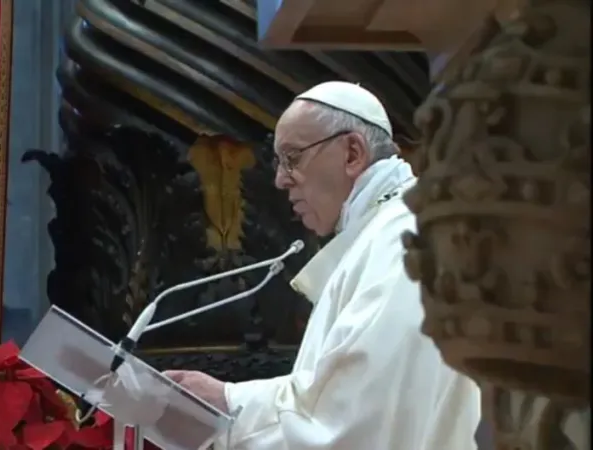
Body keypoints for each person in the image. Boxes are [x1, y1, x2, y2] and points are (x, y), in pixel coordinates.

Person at [164, 81, 481, 449]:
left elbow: (357, 412)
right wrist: (229, 399)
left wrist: (232, 408)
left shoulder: (403, 237)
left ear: (352, 154)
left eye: (292, 158)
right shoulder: (385, 229)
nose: (281, 179)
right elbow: (332, 393)